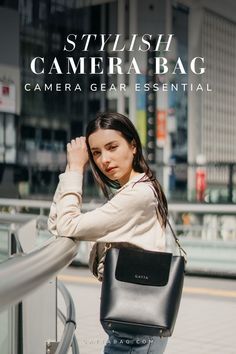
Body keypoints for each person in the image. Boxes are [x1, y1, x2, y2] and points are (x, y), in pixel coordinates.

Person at [48, 112, 169, 353]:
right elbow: (59, 224)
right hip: (131, 324)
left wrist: (74, 168)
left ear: (133, 146)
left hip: (135, 331)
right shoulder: (133, 190)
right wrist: (70, 172)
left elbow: (67, 225)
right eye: (96, 153)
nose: (104, 159)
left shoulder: (138, 195)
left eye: (112, 147)